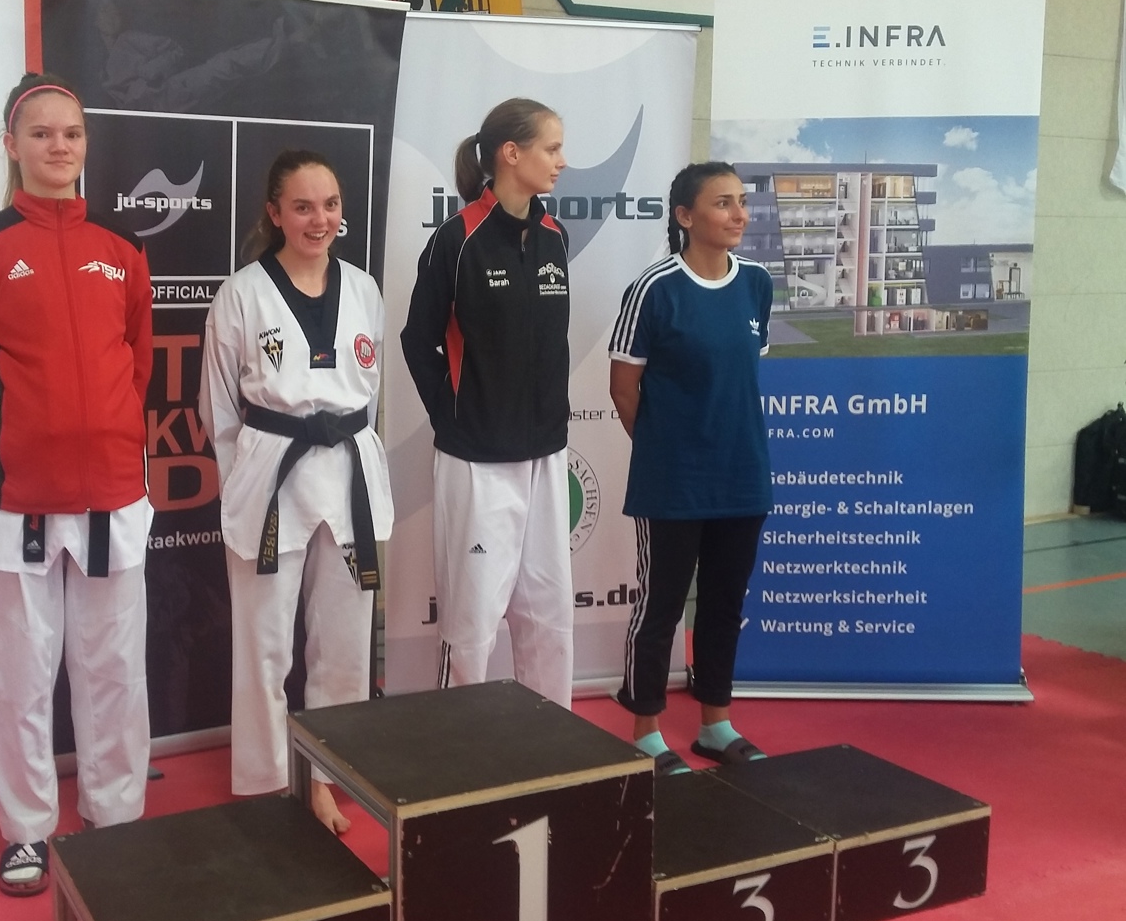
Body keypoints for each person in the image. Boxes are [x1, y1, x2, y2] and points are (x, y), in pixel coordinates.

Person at [0, 73, 155, 894]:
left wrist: (106, 438)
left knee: (114, 669)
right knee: (22, 677)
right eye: (41, 133)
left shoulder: (122, 247)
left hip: (112, 498)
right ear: (12, 145)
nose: (58, 146)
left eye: (71, 133)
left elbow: (135, 364)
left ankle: (116, 818)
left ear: (85, 144)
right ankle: (28, 830)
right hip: (19, 504)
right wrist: (8, 455)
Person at [199, 150, 392, 835]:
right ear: (274, 213)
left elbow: (372, 396)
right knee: (264, 643)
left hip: (348, 473)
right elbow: (219, 409)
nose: (320, 219)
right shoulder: (242, 293)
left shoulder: (363, 288)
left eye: (330, 204)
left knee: (344, 641)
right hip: (271, 475)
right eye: (303, 206)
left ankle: (330, 777)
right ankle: (269, 783)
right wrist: (245, 480)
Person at [400, 98, 574, 707]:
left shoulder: (555, 237)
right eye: (552, 148)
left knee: (549, 615)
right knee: (472, 624)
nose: (562, 160)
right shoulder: (457, 239)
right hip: (477, 463)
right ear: (511, 153)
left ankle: (552, 742)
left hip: (546, 456)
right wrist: (456, 418)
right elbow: (418, 340)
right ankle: (460, 747)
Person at [606, 161, 773, 776]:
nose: (739, 214)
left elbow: (742, 373)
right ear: (685, 216)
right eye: (722, 203)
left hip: (743, 477)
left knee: (725, 604)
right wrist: (665, 450)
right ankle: (646, 733)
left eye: (741, 201)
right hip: (673, 484)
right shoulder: (655, 289)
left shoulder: (756, 283)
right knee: (661, 607)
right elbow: (624, 388)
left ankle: (714, 726)